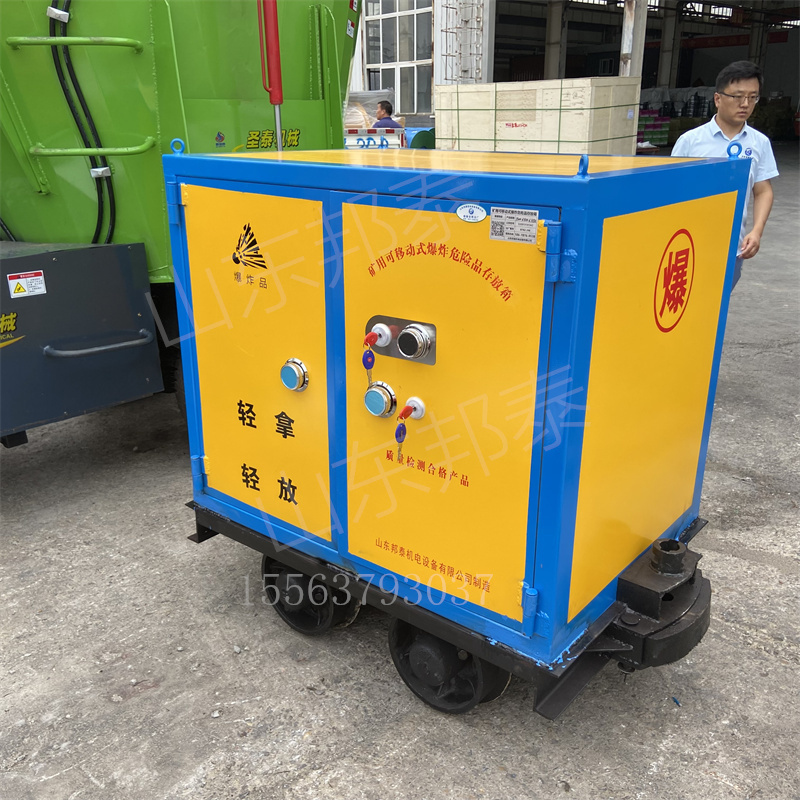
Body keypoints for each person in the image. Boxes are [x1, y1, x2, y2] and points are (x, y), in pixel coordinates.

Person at [671, 61, 779, 288]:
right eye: (738, 96)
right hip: (689, 246)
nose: (745, 104)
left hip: (733, 247)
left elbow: (763, 191)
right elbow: (671, 191)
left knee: (720, 302)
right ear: (718, 99)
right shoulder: (691, 142)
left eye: (752, 97)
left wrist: (757, 231)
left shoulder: (759, 143)